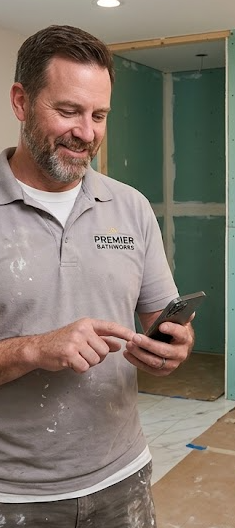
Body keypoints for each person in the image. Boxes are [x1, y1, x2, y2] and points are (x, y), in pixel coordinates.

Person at [0, 25, 195, 525]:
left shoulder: (130, 207)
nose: (86, 132)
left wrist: (173, 345)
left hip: (122, 477)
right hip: (14, 495)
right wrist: (33, 349)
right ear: (21, 102)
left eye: (99, 115)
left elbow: (161, 317)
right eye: (67, 111)